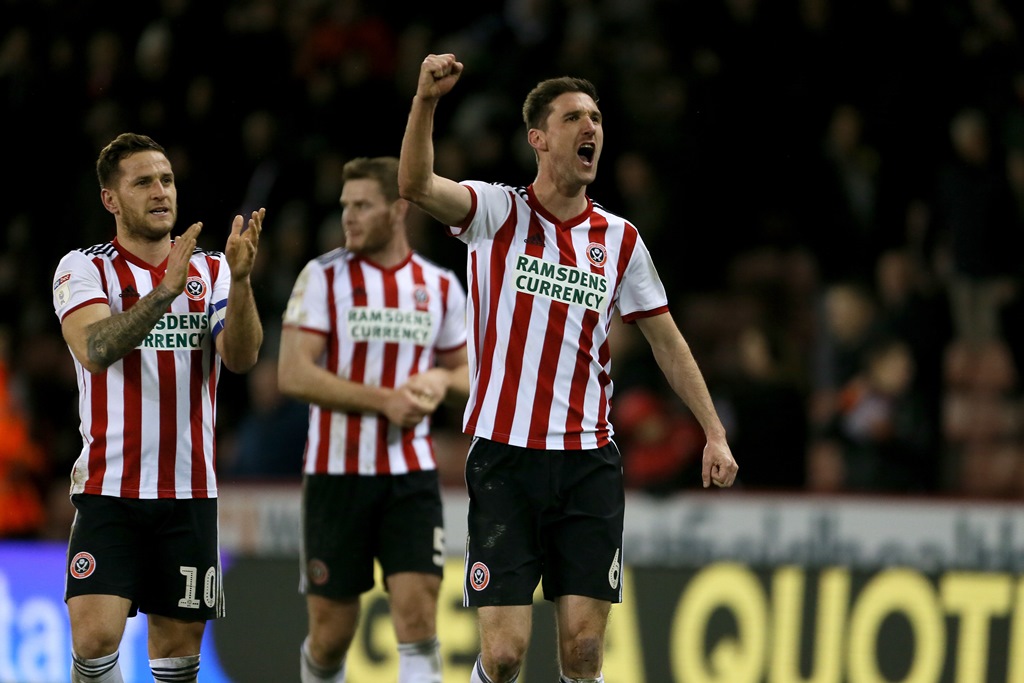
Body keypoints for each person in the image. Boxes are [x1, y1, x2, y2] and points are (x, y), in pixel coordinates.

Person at [398, 53, 739, 683]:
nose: (591, 128)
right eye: (574, 117)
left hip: (588, 464)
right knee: (504, 656)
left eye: (597, 118)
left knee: (583, 651)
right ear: (539, 138)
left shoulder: (620, 239)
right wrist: (425, 102)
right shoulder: (496, 212)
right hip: (505, 458)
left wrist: (713, 431)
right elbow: (416, 185)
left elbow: (667, 341)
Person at [51, 132, 264, 683]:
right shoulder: (84, 268)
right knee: (94, 639)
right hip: (110, 487)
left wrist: (242, 282)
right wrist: (164, 291)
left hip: (189, 492)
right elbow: (95, 348)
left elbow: (242, 357)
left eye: (166, 180)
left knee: (176, 654)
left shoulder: (213, 269)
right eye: (143, 182)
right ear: (111, 199)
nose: (160, 191)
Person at [277, 156, 470, 683]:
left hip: (411, 474)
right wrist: (384, 400)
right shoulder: (323, 277)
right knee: (332, 633)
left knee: (418, 613)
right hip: (336, 474)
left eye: (362, 205)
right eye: (346, 206)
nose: (349, 216)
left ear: (398, 208)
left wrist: (439, 381)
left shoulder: (440, 286)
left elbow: (469, 374)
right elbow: (293, 373)